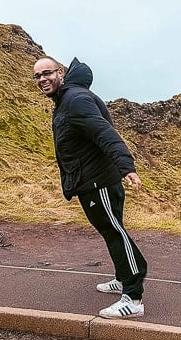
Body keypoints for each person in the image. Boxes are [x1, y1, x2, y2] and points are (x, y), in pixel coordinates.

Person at [33, 56, 148, 319]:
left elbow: (104, 133)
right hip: (92, 180)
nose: (42, 79)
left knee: (114, 232)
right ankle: (123, 278)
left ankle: (133, 297)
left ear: (60, 73)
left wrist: (126, 166)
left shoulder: (74, 100)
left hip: (98, 183)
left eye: (47, 73)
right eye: (37, 76)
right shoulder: (67, 99)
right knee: (111, 232)